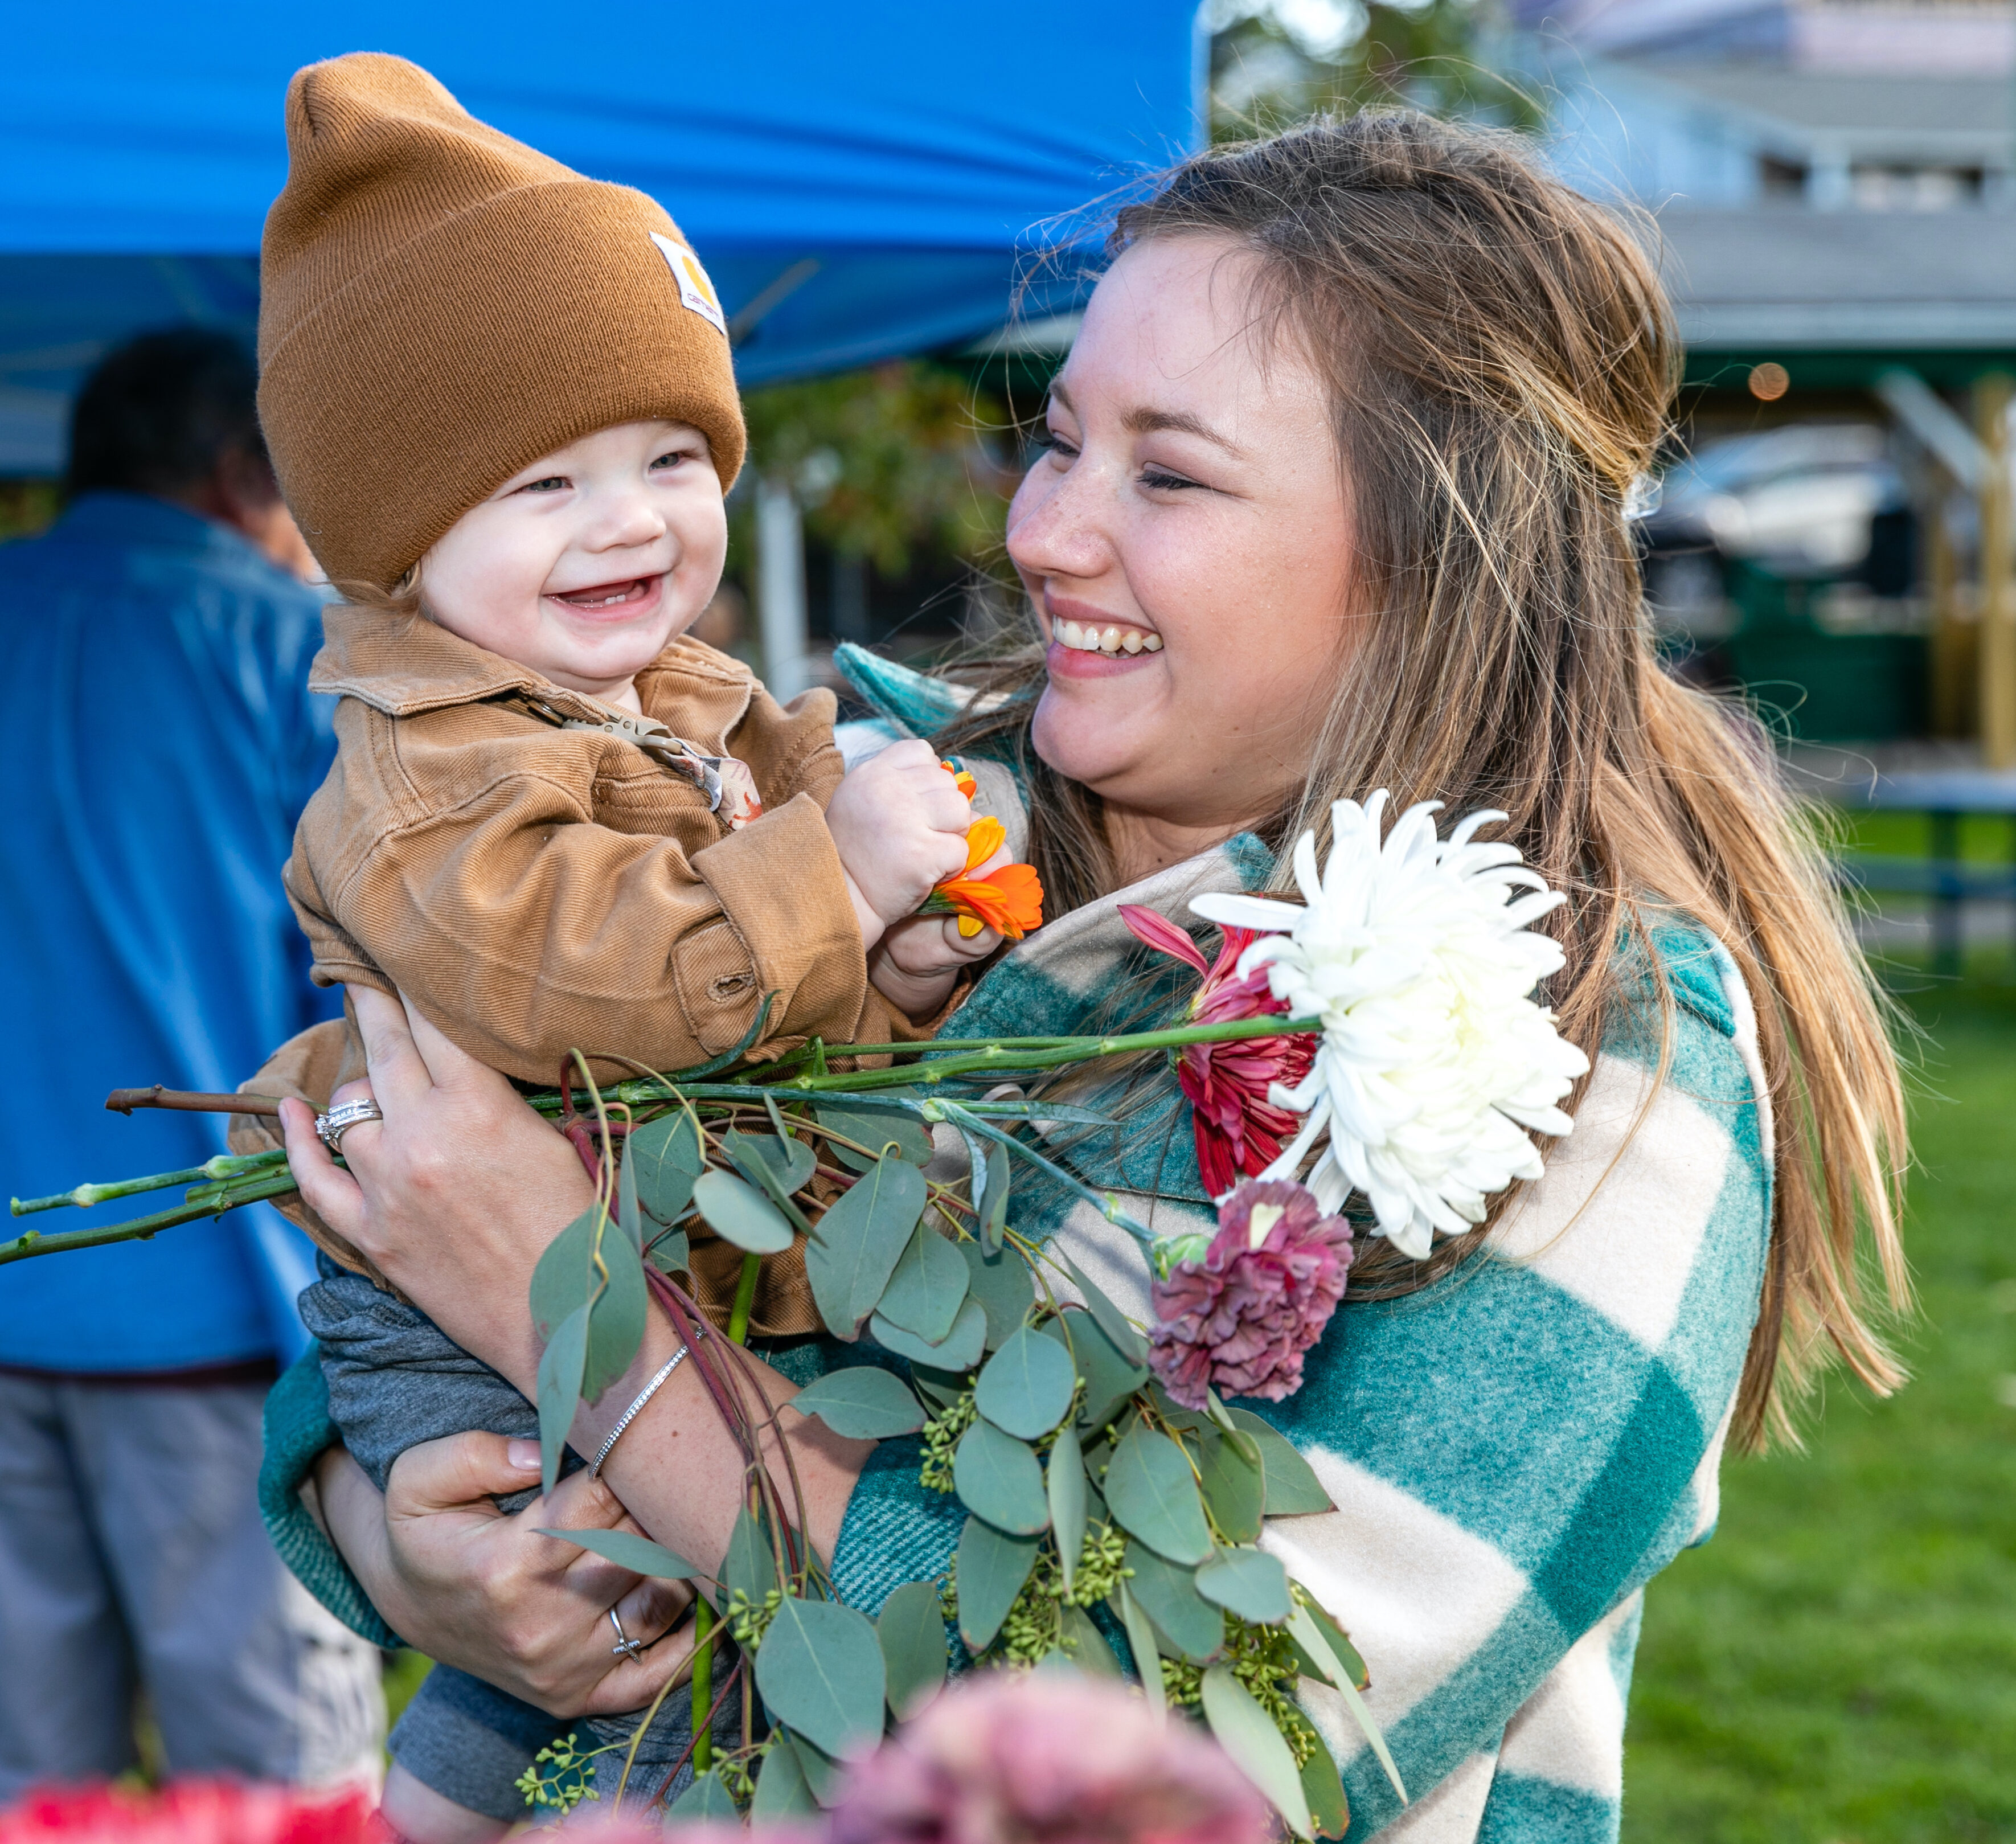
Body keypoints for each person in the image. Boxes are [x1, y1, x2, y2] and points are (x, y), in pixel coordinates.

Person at [253, 114, 1909, 1841]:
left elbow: (1236, 1739)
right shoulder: (888, 813)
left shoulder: (1584, 1047)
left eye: (1166, 476)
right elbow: (435, 1215)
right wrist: (404, 1537)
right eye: (1054, 440)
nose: (1041, 530)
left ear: (1440, 555)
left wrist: (580, 1326)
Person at [228, 54, 1008, 1840]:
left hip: (659, 1254)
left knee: (661, 1620)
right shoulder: (428, 782)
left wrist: (890, 962)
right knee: (596, 1606)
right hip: (479, 1310)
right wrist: (829, 876)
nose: (633, 517)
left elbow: (777, 990)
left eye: (671, 455)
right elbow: (583, 974)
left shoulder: (679, 700)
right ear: (398, 539)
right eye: (544, 483)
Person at [0, 329, 384, 1794]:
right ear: (239, 471)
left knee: (29, 1793)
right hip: (217, 1312)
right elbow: (375, 994)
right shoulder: (295, 651)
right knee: (277, 1792)